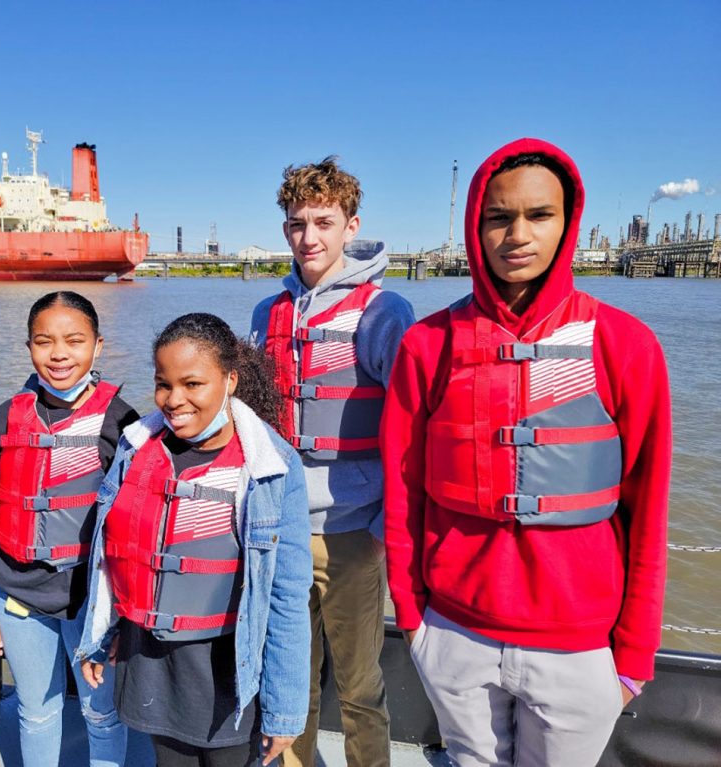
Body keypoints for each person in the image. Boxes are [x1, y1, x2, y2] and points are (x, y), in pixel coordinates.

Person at [382, 137, 672, 766]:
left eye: (539, 215)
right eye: (498, 216)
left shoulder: (626, 345)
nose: (518, 234)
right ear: (475, 225)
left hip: (580, 649)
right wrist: (412, 618)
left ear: (568, 223)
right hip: (454, 636)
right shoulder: (426, 347)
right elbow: (402, 492)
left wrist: (634, 656)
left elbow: (648, 510)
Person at [77, 313, 312, 767]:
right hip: (152, 666)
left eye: (193, 384)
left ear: (230, 379)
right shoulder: (135, 449)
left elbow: (286, 596)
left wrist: (284, 709)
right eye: (163, 384)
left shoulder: (272, 466)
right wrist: (101, 634)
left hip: (227, 675)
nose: (174, 399)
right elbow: (111, 561)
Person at [249, 156, 415, 767]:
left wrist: (383, 528)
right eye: (297, 223)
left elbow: (412, 430)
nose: (309, 237)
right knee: (289, 686)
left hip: (352, 535)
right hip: (283, 530)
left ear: (352, 225)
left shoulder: (385, 312)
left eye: (324, 221)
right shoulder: (266, 313)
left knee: (360, 688)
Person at [0, 290, 137, 766]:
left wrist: (125, 615)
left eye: (74, 341)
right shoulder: (3, 420)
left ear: (98, 346)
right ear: (29, 347)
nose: (59, 354)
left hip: (93, 604)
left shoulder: (123, 424)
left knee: (102, 713)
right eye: (44, 341)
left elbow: (138, 526)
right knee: (35, 712)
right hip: (18, 598)